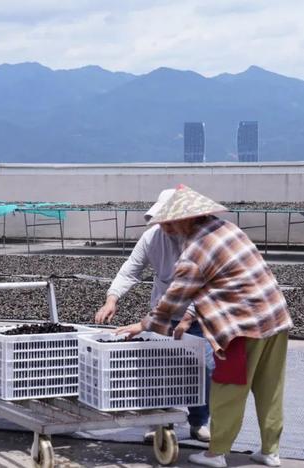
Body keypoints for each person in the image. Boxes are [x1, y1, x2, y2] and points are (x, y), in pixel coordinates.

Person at [116, 185, 293, 468]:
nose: (165, 227)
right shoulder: (227, 230)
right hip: (275, 318)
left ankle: (216, 454)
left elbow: (174, 297)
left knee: (227, 389)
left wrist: (144, 324)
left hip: (240, 328)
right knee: (270, 389)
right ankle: (270, 451)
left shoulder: (195, 250)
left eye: (168, 221)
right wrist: (188, 318)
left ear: (186, 218)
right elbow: (222, 282)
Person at [95, 188, 211, 442]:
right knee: (157, 367)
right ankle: (157, 420)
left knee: (201, 369)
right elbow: (130, 270)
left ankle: (199, 421)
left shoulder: (199, 241)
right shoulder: (151, 238)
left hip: (196, 313)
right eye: (162, 222)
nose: (166, 227)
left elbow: (204, 286)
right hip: (163, 312)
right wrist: (112, 298)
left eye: (171, 222)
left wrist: (188, 317)